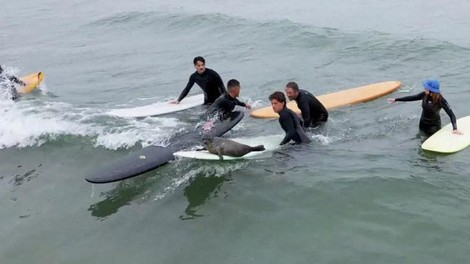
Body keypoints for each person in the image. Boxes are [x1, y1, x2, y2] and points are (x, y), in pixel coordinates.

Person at [387, 79, 462, 136]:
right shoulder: (424, 95)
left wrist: (455, 128)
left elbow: (451, 115)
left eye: (426, 88)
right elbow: (412, 98)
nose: (424, 89)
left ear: (431, 90)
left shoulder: (441, 100)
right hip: (422, 124)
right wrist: (396, 100)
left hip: (433, 127)